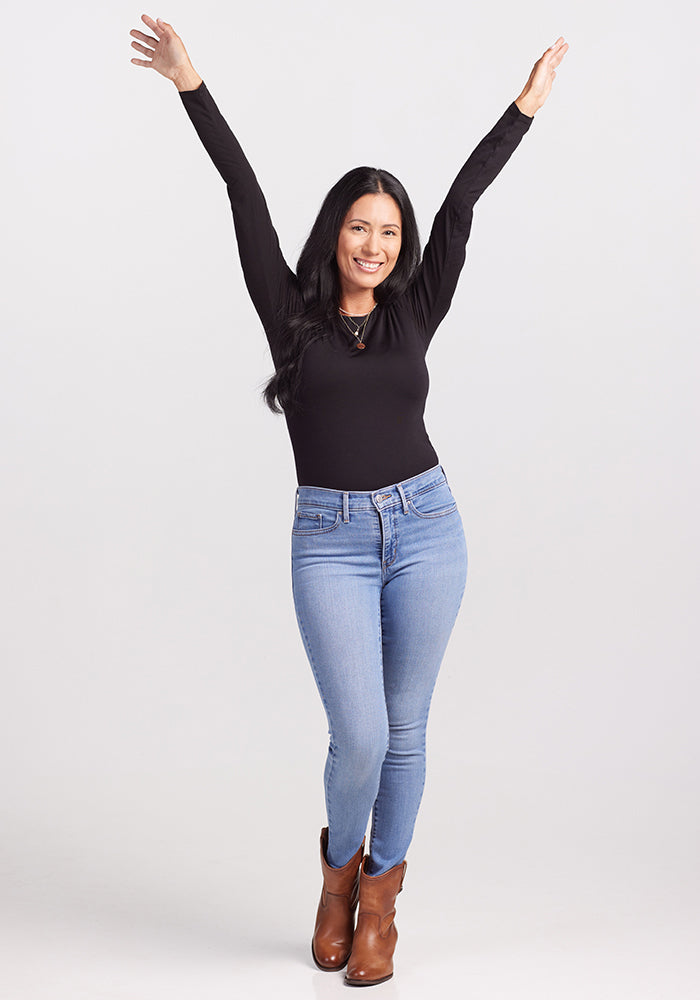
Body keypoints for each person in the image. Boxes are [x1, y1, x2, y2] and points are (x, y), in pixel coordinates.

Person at [129, 15, 568, 986]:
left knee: (407, 729)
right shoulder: (288, 314)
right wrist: (190, 83)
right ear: (335, 231)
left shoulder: (415, 306)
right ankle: (336, 875)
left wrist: (521, 109)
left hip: (427, 527)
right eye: (359, 227)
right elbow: (241, 190)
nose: (374, 243)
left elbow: (460, 204)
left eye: (388, 231)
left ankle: (379, 908)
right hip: (328, 537)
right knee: (359, 734)